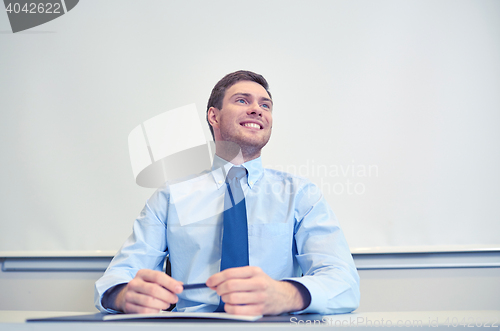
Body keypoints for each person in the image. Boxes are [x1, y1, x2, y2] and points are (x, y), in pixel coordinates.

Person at [95, 70, 360, 316]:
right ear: (214, 116)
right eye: (243, 100)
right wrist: (122, 296)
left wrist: (289, 295)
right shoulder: (170, 197)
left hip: (273, 326)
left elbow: (343, 282)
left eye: (265, 105)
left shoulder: (301, 195)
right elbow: (117, 277)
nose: (257, 109)